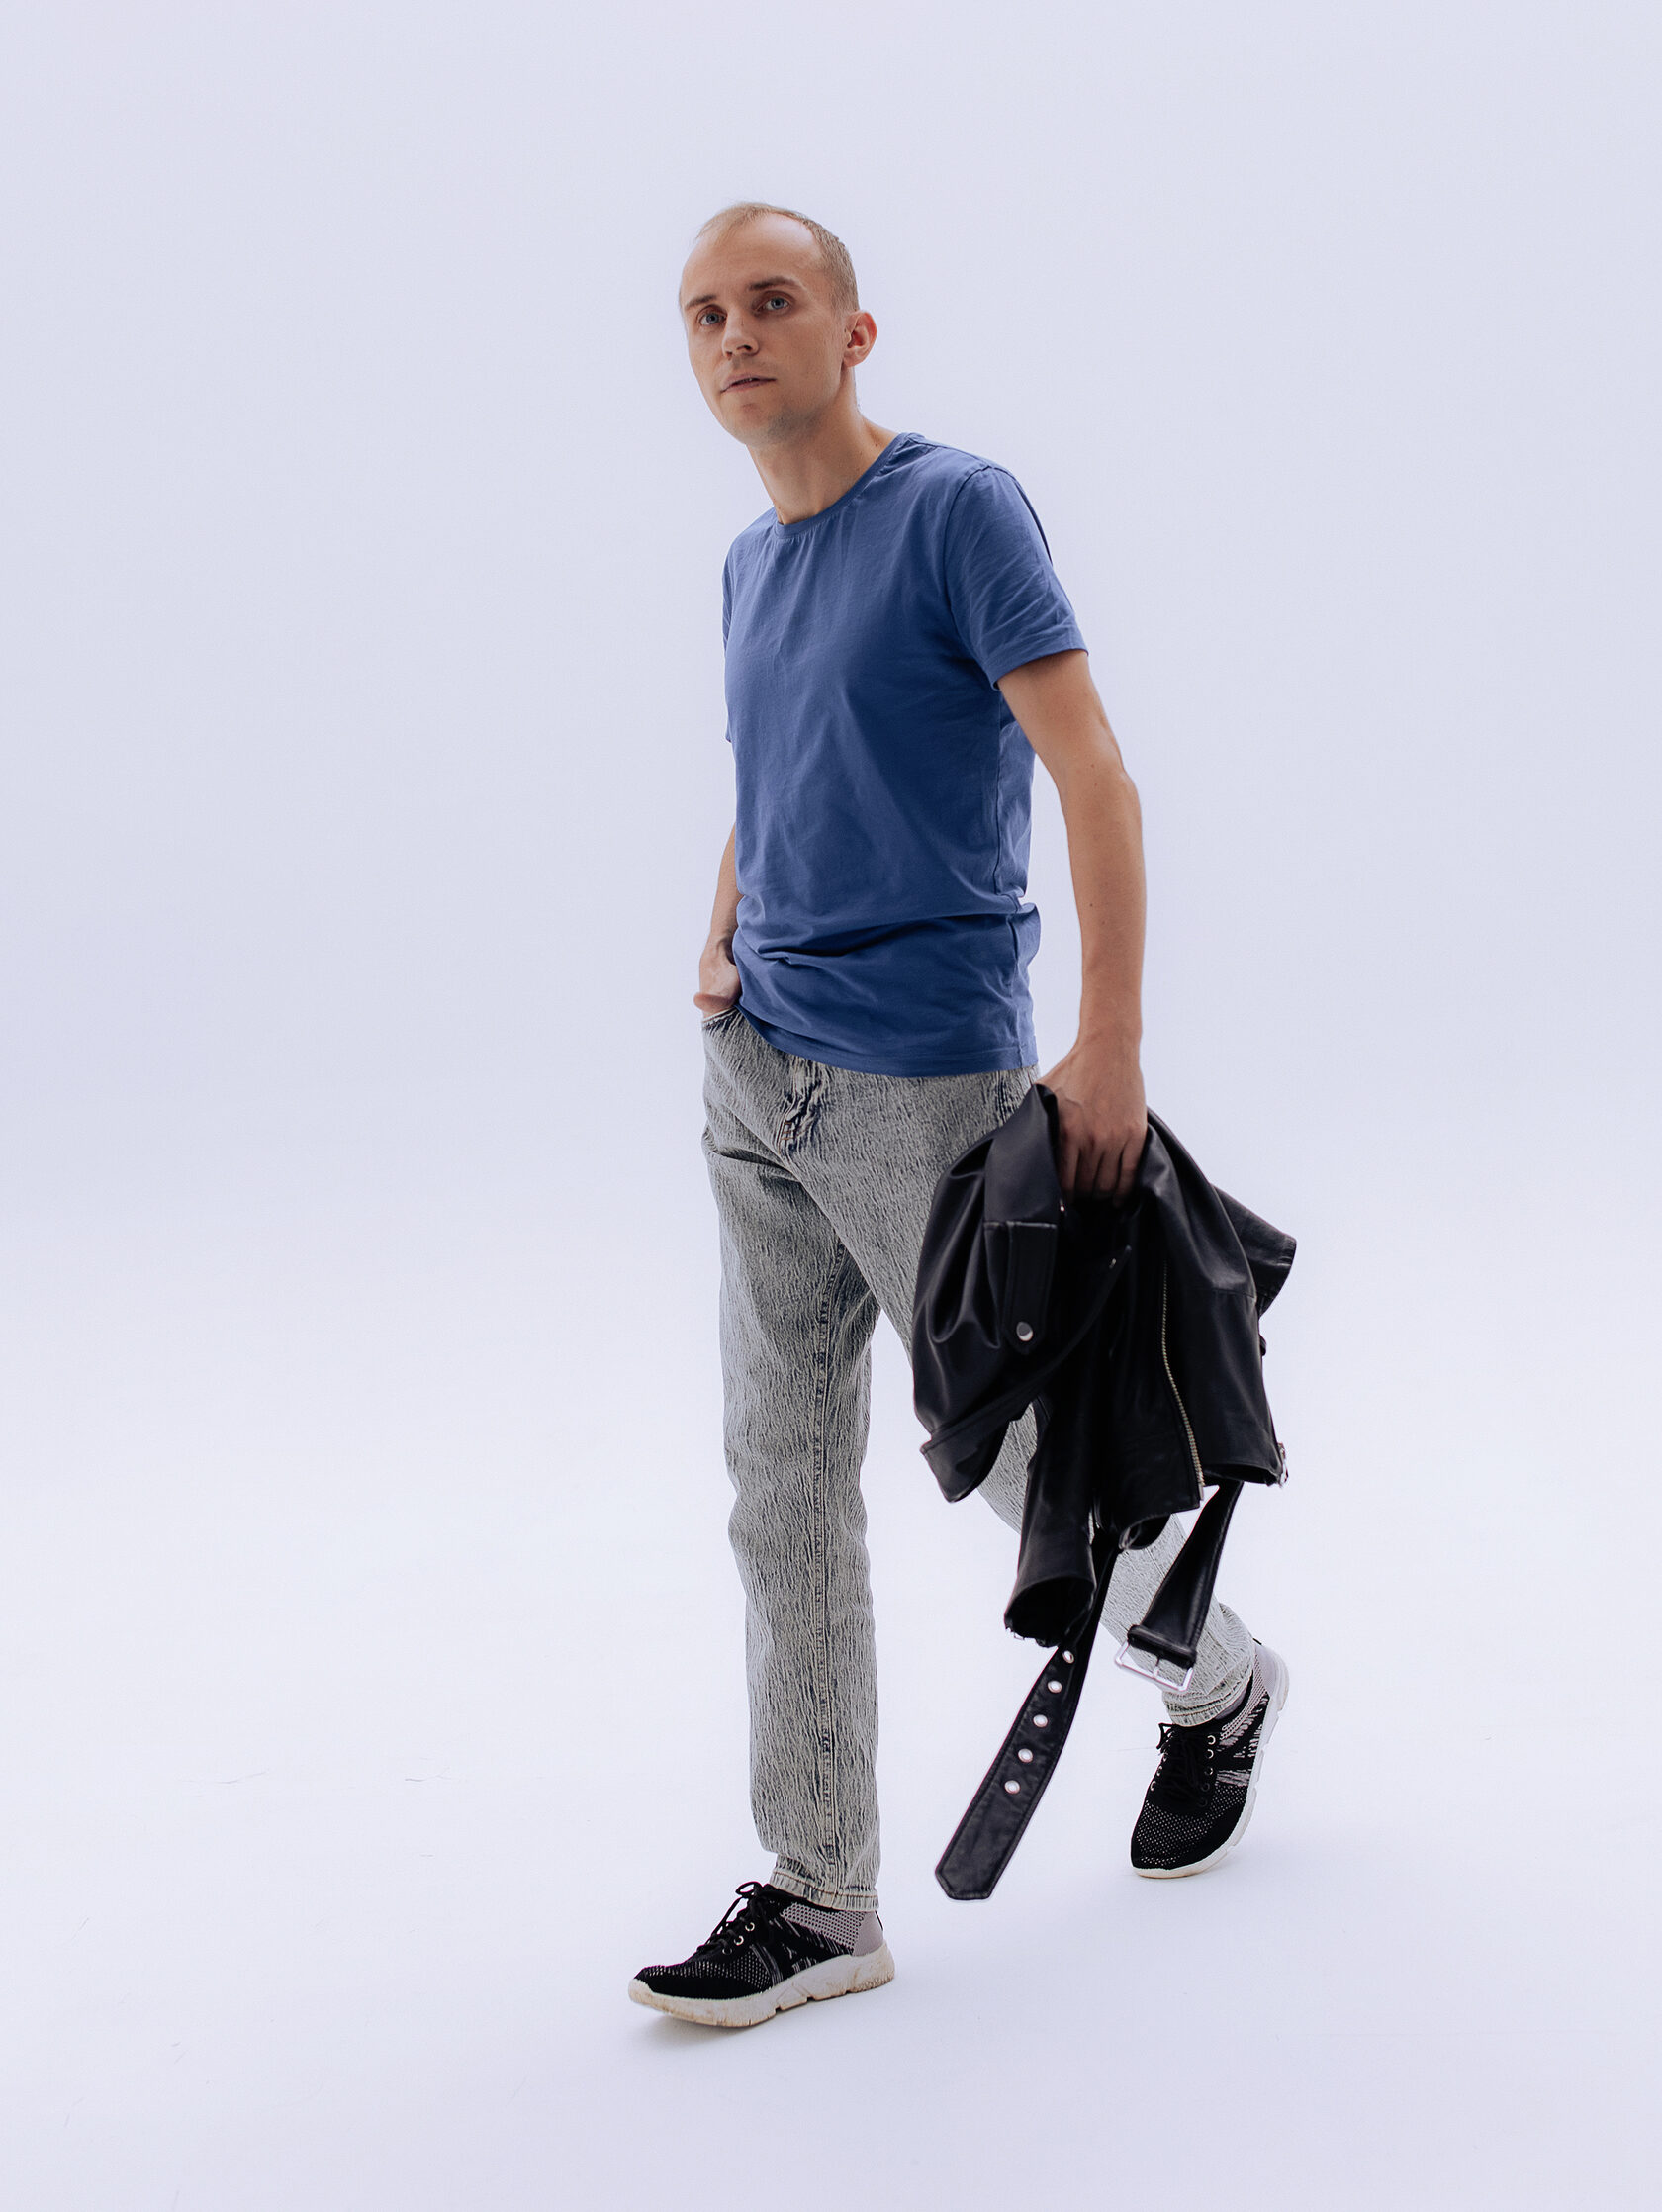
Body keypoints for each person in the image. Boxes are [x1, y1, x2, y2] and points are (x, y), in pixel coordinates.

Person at [629, 204, 1288, 2031]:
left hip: (923, 1088)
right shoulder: (750, 563)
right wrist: (723, 923)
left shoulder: (957, 512)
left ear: (852, 331)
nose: (734, 336)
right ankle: (821, 1892)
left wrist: (1110, 1041)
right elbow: (781, 767)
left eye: (772, 302)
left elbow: (1094, 773)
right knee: (778, 1481)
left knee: (1019, 1474)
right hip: (755, 1075)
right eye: (704, 314)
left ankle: (1220, 1680)